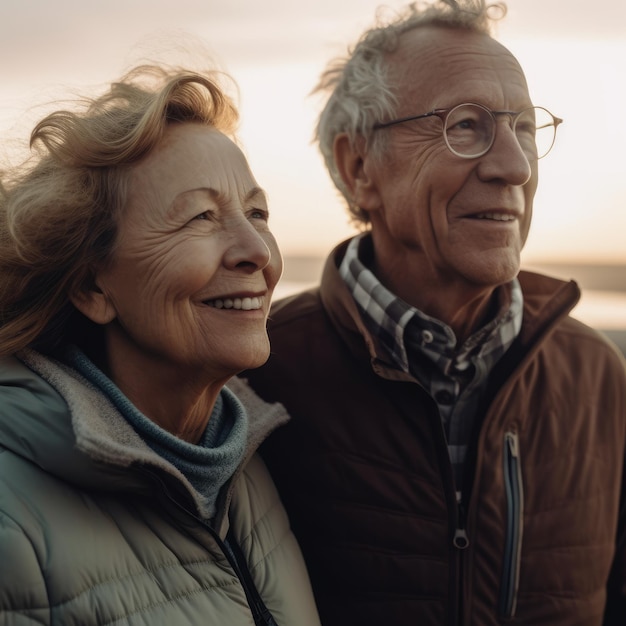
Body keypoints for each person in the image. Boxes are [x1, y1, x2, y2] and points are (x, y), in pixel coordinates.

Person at [243, 1, 626, 624]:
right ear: (358, 166)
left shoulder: (596, 377)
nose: (514, 166)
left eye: (523, 127)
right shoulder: (259, 374)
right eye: (466, 125)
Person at [0, 64, 320, 626]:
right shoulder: (11, 515)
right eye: (201, 217)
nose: (257, 251)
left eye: (257, 213)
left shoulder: (243, 463)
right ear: (92, 287)